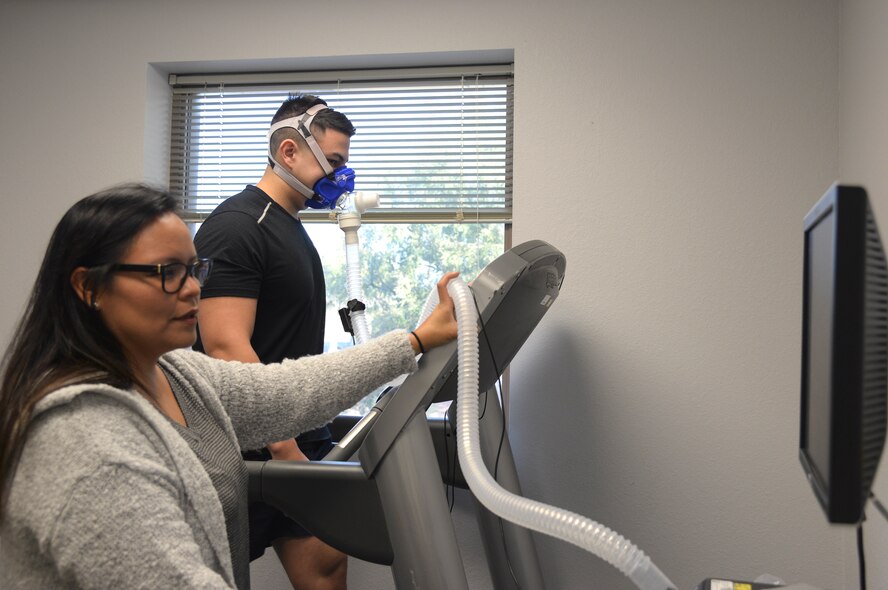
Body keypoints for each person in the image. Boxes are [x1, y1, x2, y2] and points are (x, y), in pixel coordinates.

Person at [0, 183, 459, 589]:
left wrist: (415, 341)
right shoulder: (83, 437)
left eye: (194, 269)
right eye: (168, 273)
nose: (194, 289)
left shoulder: (175, 372)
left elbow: (288, 391)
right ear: (88, 287)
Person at [191, 94, 357, 588]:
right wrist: (283, 449)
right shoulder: (238, 227)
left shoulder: (289, 227)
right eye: (334, 162)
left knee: (327, 567)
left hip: (298, 435)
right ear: (289, 152)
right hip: (247, 446)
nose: (340, 176)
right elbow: (224, 348)